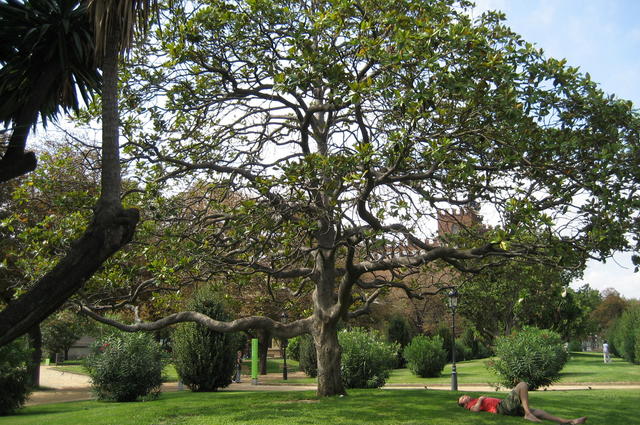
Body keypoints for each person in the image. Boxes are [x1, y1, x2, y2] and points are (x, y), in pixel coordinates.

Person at [458, 382, 587, 424]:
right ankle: (527, 414)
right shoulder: (470, 406)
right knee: (522, 384)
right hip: (501, 408)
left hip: (504, 405)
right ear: (464, 404)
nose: (464, 396)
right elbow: (475, 410)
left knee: (539, 412)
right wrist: (480, 399)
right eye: (462, 398)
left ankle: (569, 422)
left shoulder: (473, 400)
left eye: (463, 396)